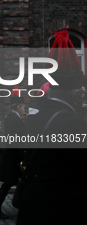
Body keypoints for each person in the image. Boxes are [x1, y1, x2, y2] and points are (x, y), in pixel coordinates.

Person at [17, 30, 87, 225]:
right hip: (58, 208)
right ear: (74, 97)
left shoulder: (34, 116)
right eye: (81, 95)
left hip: (32, 205)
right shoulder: (72, 123)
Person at [0, 90, 25, 219]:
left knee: (8, 185)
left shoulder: (13, 117)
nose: (24, 109)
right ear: (18, 106)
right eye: (23, 107)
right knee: (7, 185)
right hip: (12, 158)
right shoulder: (12, 117)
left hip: (13, 158)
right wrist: (22, 154)